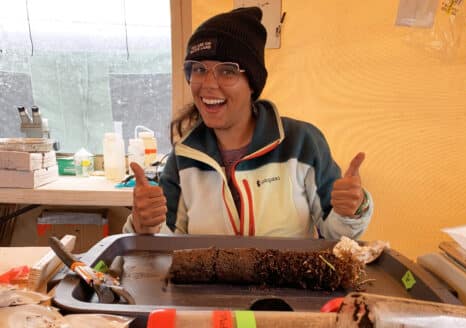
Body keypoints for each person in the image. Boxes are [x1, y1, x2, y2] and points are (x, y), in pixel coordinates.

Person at [123, 6, 373, 239]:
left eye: (227, 71)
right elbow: (160, 250)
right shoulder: (183, 159)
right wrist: (143, 224)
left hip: (289, 287)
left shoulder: (302, 144)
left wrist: (351, 210)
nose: (208, 84)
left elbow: (338, 238)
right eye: (198, 69)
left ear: (252, 83)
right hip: (208, 288)